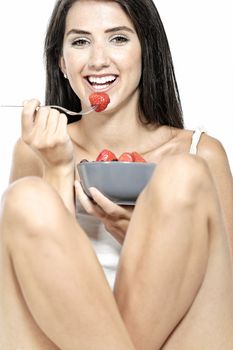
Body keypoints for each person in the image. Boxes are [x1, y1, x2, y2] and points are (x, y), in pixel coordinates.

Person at [0, 0, 233, 349]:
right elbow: (39, 272)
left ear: (146, 51)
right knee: (26, 198)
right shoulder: (36, 150)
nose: (98, 60)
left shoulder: (201, 151)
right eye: (80, 42)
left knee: (183, 174)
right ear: (62, 63)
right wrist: (59, 168)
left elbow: (223, 291)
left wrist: (141, 237)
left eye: (118, 39)